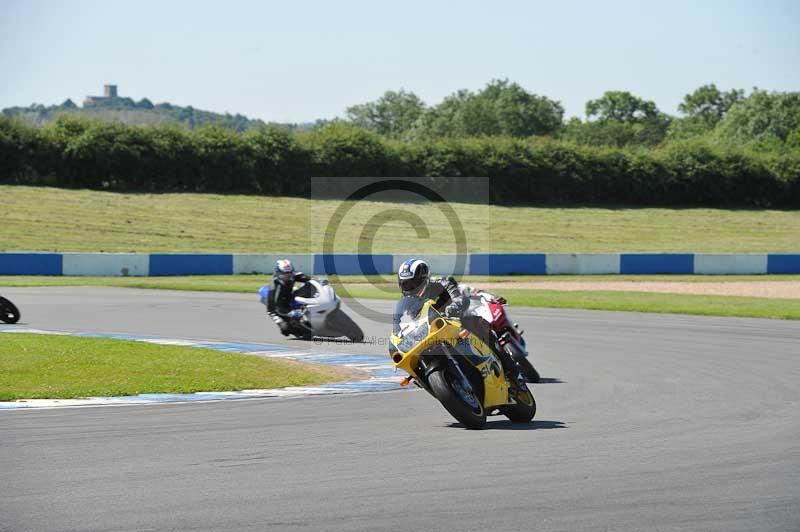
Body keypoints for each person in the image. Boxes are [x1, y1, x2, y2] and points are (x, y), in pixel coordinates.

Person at [394, 258, 522, 386]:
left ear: (424, 278)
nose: (410, 288)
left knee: (480, 324)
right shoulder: (407, 303)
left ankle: (510, 369)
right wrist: (398, 334)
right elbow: (404, 322)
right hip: (433, 333)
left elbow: (459, 298)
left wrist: (453, 307)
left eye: (413, 284)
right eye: (406, 285)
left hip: (458, 322)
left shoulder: (441, 283)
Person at [267, 259, 311, 336]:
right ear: (279, 273)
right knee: (285, 329)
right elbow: (276, 308)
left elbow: (305, 277)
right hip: (276, 308)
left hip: (288, 297)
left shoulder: (292, 274)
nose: (288, 275)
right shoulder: (275, 287)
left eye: (289, 273)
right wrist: (291, 313)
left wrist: (316, 280)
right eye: (285, 273)